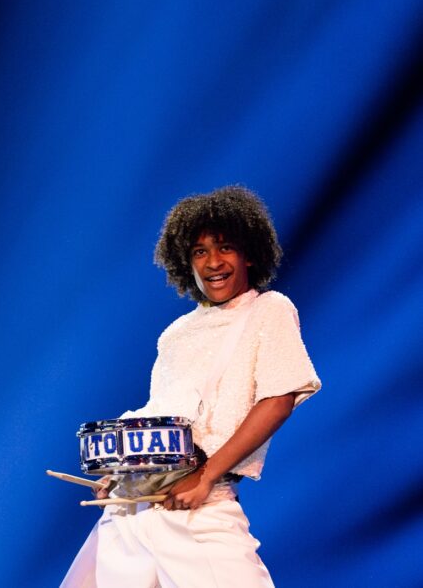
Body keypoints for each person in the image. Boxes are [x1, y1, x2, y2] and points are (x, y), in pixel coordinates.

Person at [61, 185, 322, 587]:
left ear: (250, 253)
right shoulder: (175, 333)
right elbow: (160, 414)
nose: (213, 262)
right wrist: (121, 470)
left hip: (200, 510)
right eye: (199, 251)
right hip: (133, 513)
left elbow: (278, 400)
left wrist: (205, 477)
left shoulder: (268, 310)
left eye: (225, 248)